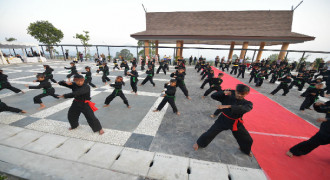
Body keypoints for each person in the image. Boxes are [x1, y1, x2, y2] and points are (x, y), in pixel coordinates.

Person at [193, 84, 253, 156]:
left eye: (242, 94)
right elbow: (213, 96)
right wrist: (223, 92)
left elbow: (246, 108)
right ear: (236, 91)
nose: (239, 95)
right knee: (210, 132)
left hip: (236, 123)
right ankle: (199, 144)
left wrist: (229, 106)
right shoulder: (228, 96)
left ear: (246, 94)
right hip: (223, 119)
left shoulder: (247, 103)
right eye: (238, 93)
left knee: (247, 139)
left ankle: (245, 149)